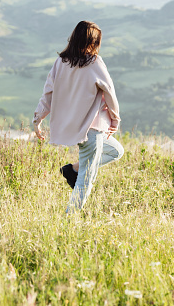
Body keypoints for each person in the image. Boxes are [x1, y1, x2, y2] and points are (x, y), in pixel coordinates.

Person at [32, 20, 124, 213]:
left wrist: (38, 119)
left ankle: (72, 169)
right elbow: (109, 91)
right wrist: (115, 118)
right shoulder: (95, 62)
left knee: (116, 151)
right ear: (93, 42)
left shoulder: (60, 62)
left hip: (74, 127)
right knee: (85, 180)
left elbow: (48, 94)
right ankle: (69, 221)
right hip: (92, 128)